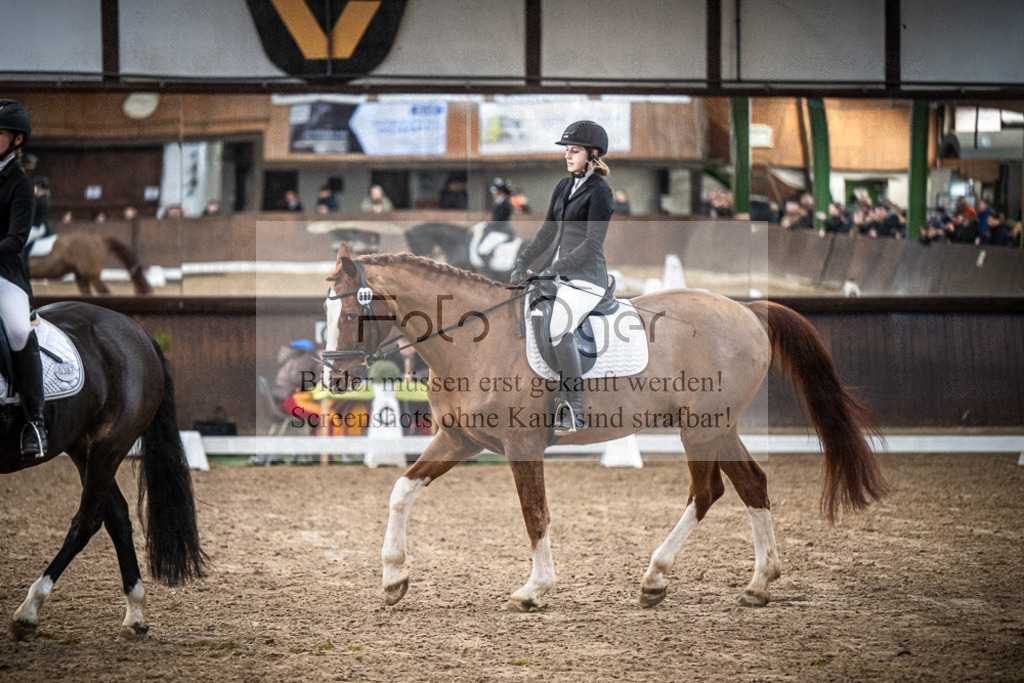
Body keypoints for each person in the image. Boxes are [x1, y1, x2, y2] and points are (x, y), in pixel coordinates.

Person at [510, 120, 614, 436]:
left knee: (558, 327)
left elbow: (592, 243)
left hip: (586, 279)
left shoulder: (601, 191)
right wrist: (523, 261)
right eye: (567, 151)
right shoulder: (563, 186)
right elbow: (547, 231)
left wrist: (554, 270)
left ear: (593, 154)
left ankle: (575, 410)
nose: (568, 156)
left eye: (575, 151)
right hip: (561, 276)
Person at [0, 99, 47, 457]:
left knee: (18, 329)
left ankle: (35, 421)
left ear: (16, 140)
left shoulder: (20, 184)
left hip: (6, 274)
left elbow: (16, 240)